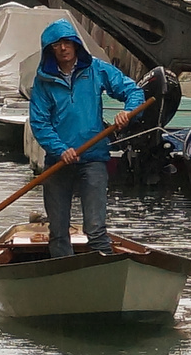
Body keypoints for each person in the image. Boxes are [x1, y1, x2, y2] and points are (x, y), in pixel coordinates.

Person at [27, 18, 144, 258]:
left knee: (96, 229)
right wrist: (60, 149)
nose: (63, 48)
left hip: (93, 158)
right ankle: (64, 273)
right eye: (57, 44)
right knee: (58, 232)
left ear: (75, 44)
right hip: (59, 162)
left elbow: (134, 91)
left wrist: (127, 113)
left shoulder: (97, 70)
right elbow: (40, 122)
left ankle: (105, 271)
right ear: (50, 49)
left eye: (67, 43)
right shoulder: (43, 82)